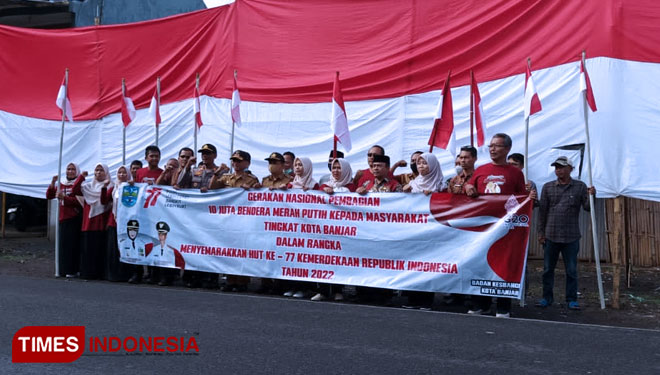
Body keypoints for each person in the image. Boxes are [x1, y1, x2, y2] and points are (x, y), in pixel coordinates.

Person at [464, 133, 536, 318]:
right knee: (480, 264)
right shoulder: (481, 170)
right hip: (483, 228)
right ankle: (481, 304)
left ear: (507, 149)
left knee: (503, 265)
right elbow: (469, 187)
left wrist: (530, 199)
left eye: (497, 146)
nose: (492, 149)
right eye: (490, 146)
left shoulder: (516, 174)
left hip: (505, 229)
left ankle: (503, 306)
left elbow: (521, 200)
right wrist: (468, 188)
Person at [537, 156, 595, 310]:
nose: (558, 170)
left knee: (571, 270)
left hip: (571, 236)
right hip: (551, 235)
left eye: (562, 167)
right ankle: (546, 298)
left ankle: (571, 299)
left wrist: (592, 196)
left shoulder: (580, 187)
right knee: (548, 269)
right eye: (556, 167)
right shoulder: (548, 187)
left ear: (571, 169)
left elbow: (588, 208)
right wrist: (541, 233)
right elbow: (542, 212)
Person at [209, 150, 260, 291]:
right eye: (234, 160)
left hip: (243, 219)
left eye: (239, 160)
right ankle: (230, 280)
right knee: (228, 249)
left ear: (247, 163)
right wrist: (216, 173)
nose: (235, 163)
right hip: (227, 219)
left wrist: (251, 190)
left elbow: (256, 198)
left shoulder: (251, 179)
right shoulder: (226, 178)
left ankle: (242, 281)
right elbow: (212, 187)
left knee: (241, 250)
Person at [401, 153, 443, 310]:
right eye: (419, 163)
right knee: (412, 263)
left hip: (431, 231)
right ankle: (412, 299)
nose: (421, 166)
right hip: (413, 230)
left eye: (425, 163)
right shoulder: (413, 184)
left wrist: (435, 196)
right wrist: (404, 193)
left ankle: (426, 300)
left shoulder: (440, 184)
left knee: (428, 265)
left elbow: (448, 202)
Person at [311, 158, 355, 301]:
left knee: (339, 260)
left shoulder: (353, 187)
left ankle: (338, 290)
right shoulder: (324, 185)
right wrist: (324, 191)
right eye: (334, 168)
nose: (336, 171)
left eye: (339, 168)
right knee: (323, 259)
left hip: (343, 230)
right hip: (324, 229)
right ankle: (323, 290)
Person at [73, 164, 113, 280]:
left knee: (99, 249)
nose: (99, 172)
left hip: (101, 222)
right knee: (87, 249)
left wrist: (104, 187)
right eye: (97, 170)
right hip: (88, 222)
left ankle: (99, 273)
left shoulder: (110, 185)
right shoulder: (88, 186)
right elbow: (75, 190)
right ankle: (87, 272)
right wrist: (81, 177)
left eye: (101, 170)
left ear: (106, 172)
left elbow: (104, 201)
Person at [46, 162, 83, 278]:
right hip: (62, 218)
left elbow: (79, 202)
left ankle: (72, 269)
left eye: (73, 169)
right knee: (63, 245)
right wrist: (53, 183)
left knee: (72, 245)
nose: (70, 171)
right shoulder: (62, 184)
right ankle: (62, 269)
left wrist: (65, 198)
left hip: (74, 218)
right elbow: (49, 195)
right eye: (68, 169)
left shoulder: (79, 185)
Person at [100, 165, 132, 282]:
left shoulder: (131, 187)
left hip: (126, 223)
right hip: (113, 222)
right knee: (113, 250)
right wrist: (104, 187)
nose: (122, 175)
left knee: (125, 249)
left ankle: (125, 274)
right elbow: (104, 201)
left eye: (124, 173)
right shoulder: (114, 188)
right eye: (120, 173)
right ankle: (112, 274)